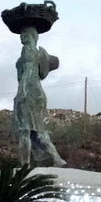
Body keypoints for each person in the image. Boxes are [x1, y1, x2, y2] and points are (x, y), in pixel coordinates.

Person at [13, 26, 66, 167]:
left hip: (29, 91)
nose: (22, 36)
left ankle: (24, 165)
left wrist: (21, 90)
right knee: (37, 131)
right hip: (37, 93)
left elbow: (28, 72)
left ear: (33, 36)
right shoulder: (35, 52)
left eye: (25, 33)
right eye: (21, 33)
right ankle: (58, 159)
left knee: (25, 130)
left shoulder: (28, 50)